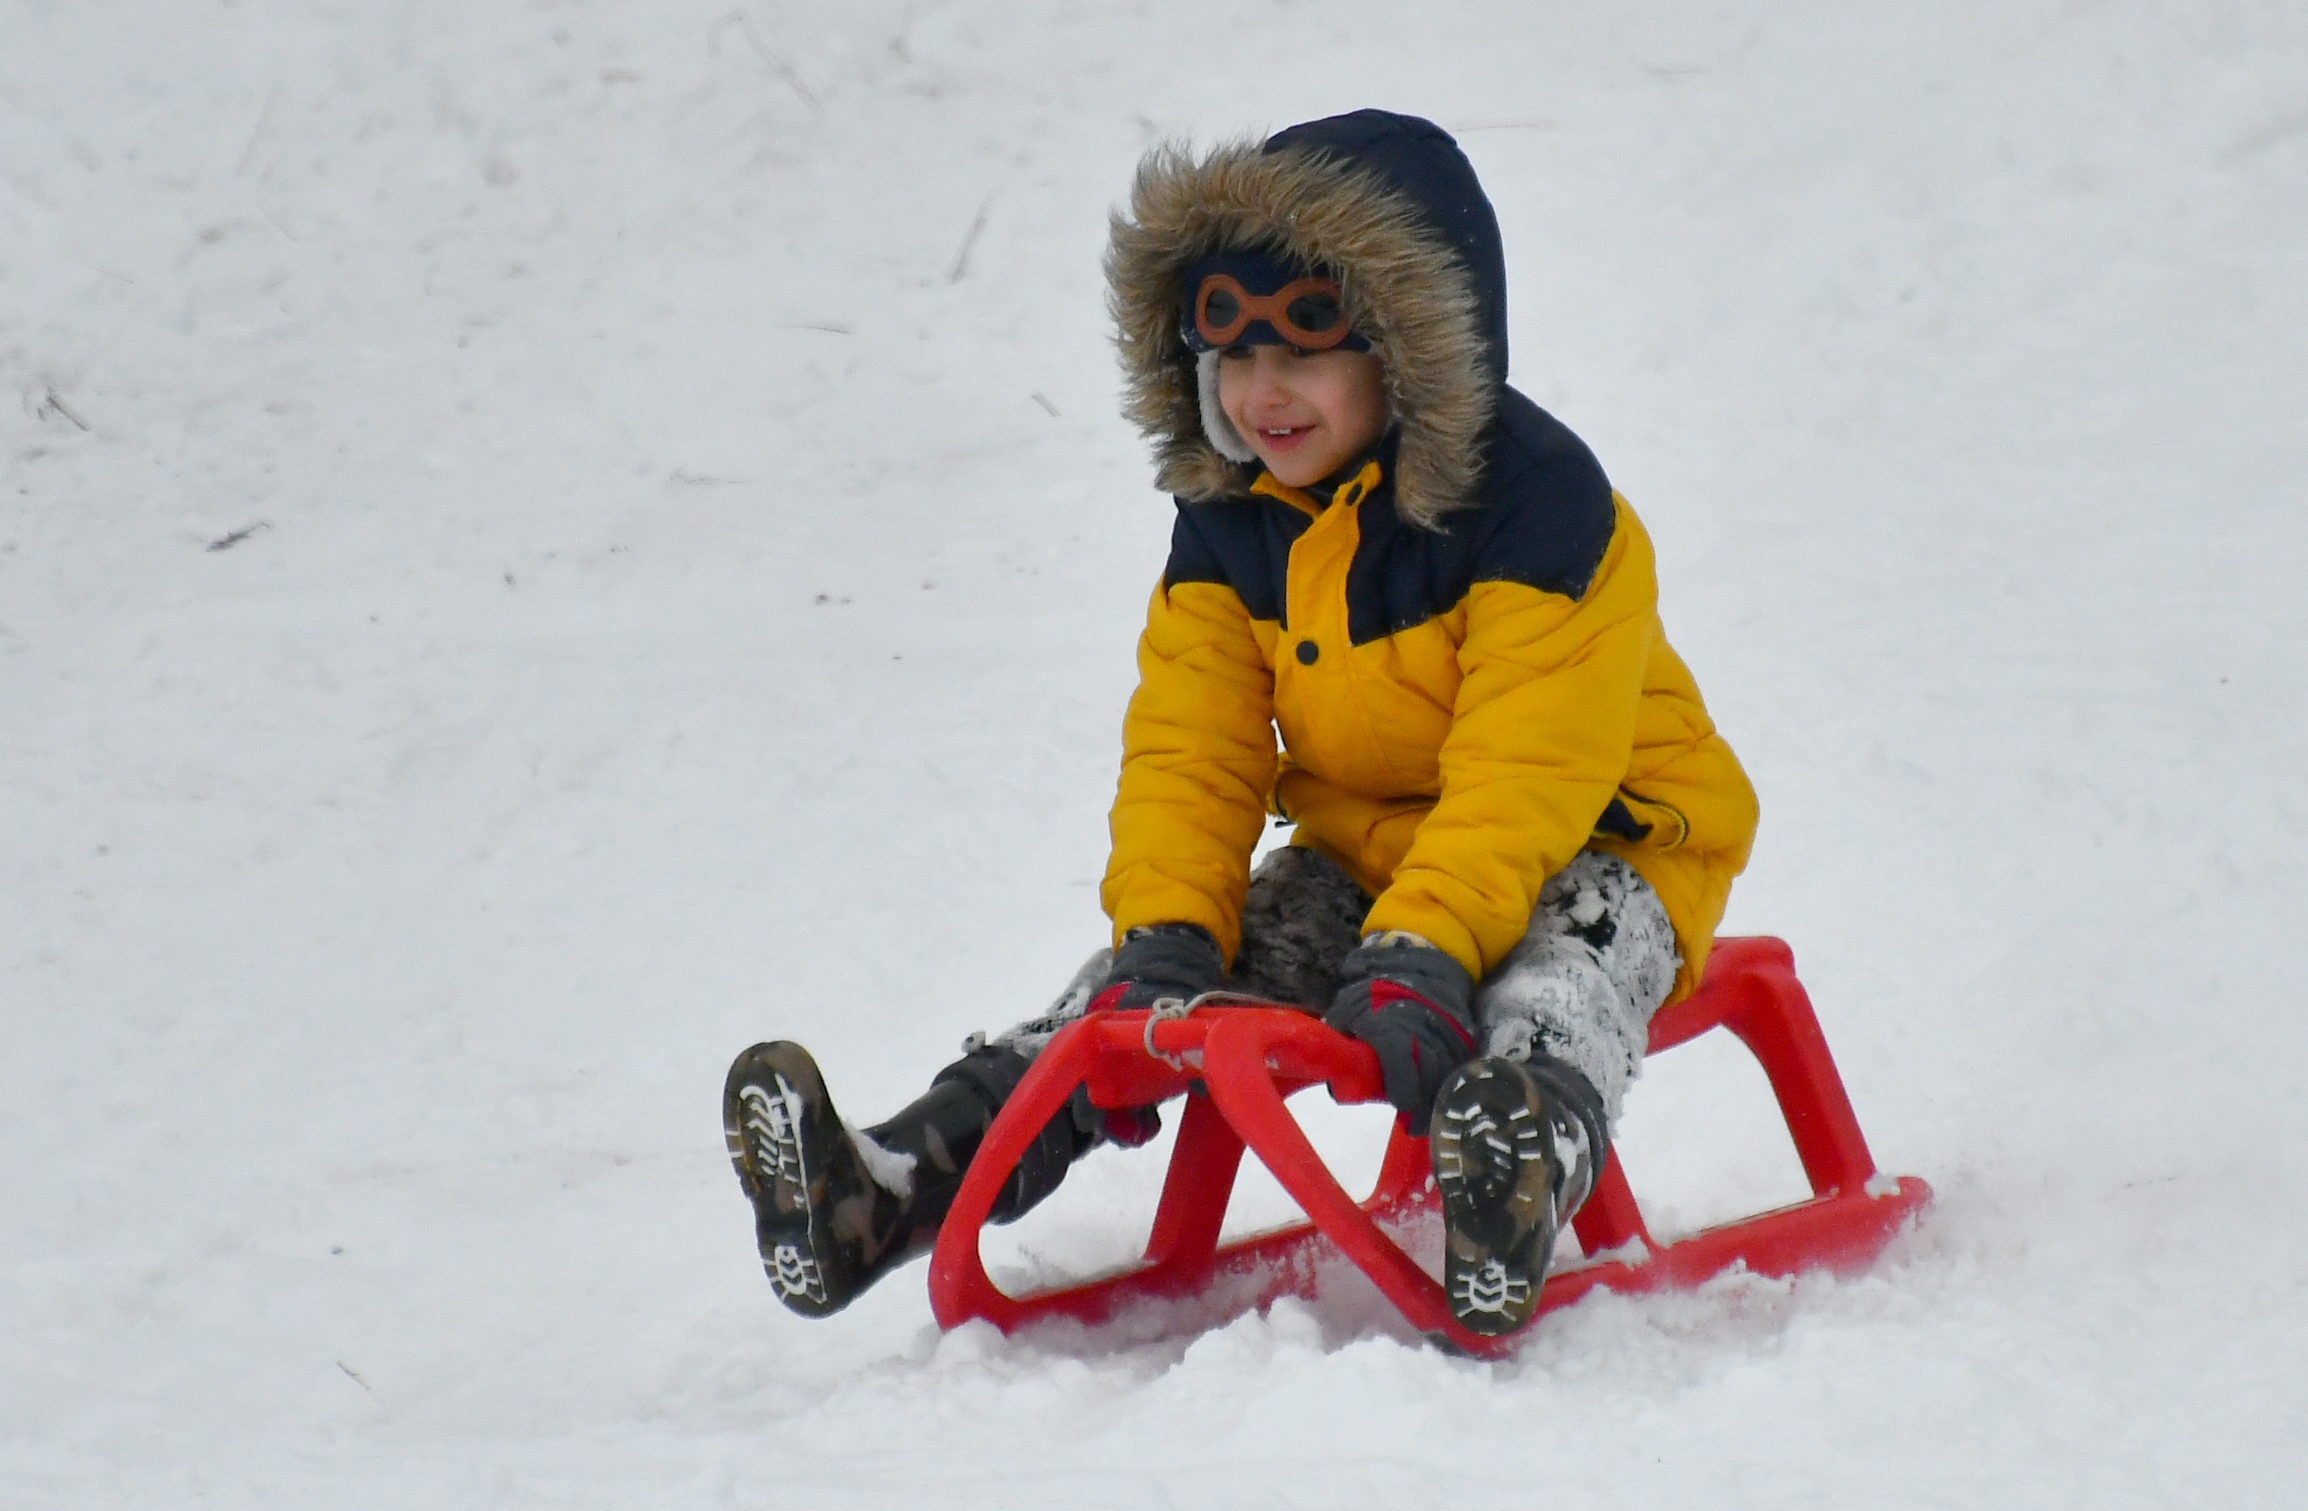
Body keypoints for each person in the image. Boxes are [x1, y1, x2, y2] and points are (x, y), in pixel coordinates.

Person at [723, 109, 1757, 1339]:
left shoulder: (1545, 508)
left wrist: (1426, 945)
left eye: (1304, 351)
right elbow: (1191, 745)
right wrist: (1166, 931)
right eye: (1232, 354)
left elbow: (1527, 771)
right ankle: (893, 1184)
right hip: (1370, 861)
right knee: (1129, 1002)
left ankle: (1513, 1174)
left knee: (1559, 977)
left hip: (1602, 839)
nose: (1262, 395)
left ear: (1413, 351)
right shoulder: (1231, 519)